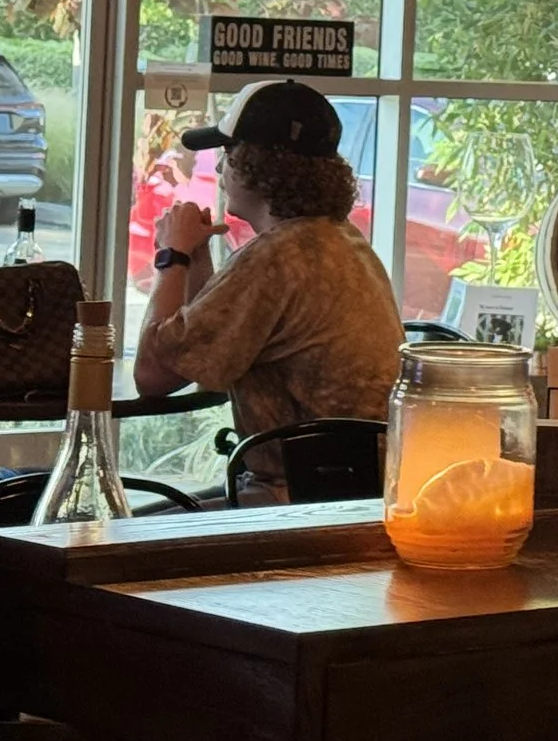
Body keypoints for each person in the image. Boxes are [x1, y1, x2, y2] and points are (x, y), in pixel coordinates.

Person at [133, 79, 402, 494]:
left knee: (121, 535)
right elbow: (208, 358)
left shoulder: (276, 258)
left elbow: (152, 376)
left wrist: (173, 256)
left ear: (259, 165)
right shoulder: (339, 241)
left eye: (228, 153)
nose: (220, 169)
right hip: (364, 490)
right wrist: (199, 259)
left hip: (299, 499)